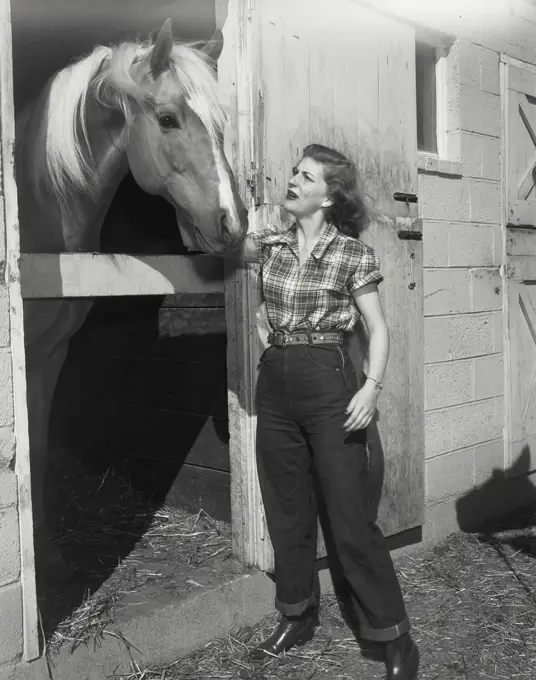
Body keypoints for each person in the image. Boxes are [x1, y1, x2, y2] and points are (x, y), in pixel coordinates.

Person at [230, 143, 419, 680]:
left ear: (329, 195)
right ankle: (298, 614)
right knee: (286, 508)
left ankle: (394, 637)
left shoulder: (352, 253)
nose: (292, 180)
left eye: (304, 176)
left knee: (349, 518)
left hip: (331, 380)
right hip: (277, 382)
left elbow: (377, 328)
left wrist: (372, 388)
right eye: (293, 172)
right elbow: (213, 240)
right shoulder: (270, 244)